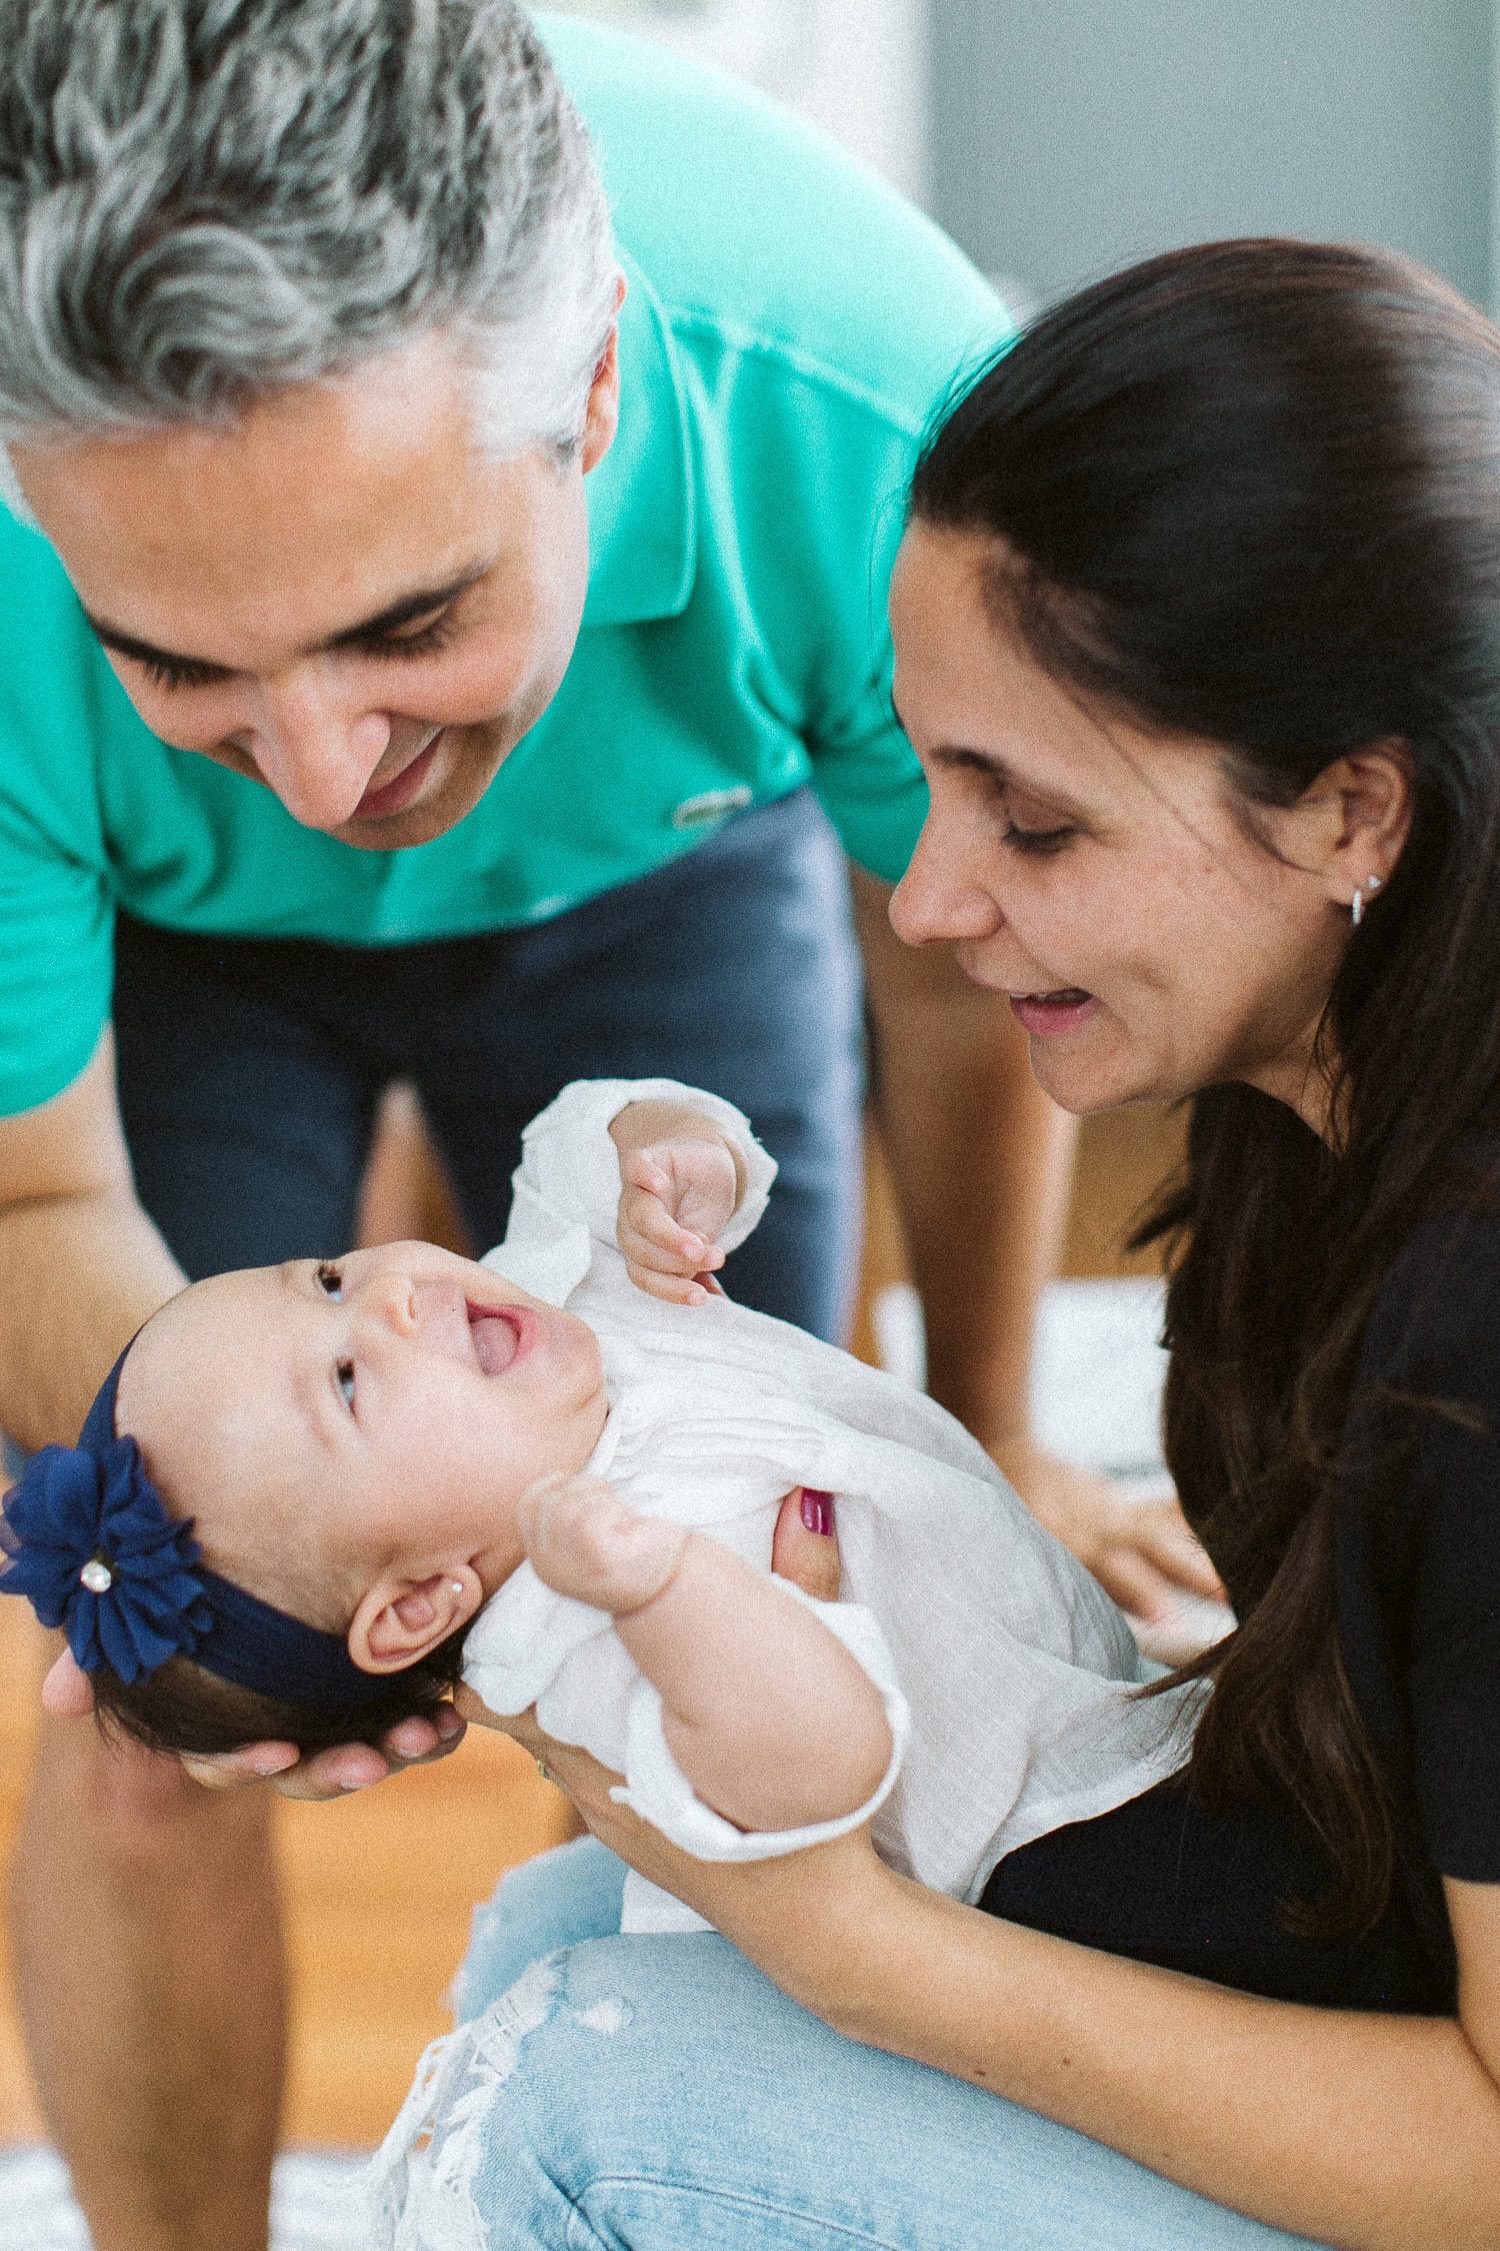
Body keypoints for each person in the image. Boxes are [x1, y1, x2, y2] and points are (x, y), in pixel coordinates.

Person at [0, 7, 1221, 2245]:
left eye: (408, 620)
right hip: (159, 952)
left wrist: (991, 1413)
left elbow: (965, 998)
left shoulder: (883, 424)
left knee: (764, 1563)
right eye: (178, 664)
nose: (322, 776)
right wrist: (257, 1562)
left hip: (670, 843)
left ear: (593, 403)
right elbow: (36, 1180)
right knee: (137, 1716)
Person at [377, 238, 1500, 2251]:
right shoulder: (1307, 1116)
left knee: (586, 2095)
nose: (923, 904)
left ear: (1354, 812)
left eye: (1034, 823)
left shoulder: (1479, 1332)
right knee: (563, 1919)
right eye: (926, 780)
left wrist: (870, 1956)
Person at [1, 1078, 1196, 1938]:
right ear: (421, 1600)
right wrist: (665, 1591)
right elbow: (821, 1776)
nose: (391, 1299)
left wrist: (665, 1149)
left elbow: (570, 1147)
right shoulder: (579, 1641)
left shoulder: (552, 1306)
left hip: (1112, 1683)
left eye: (323, 1278)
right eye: (351, 1383)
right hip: (1053, 1854)